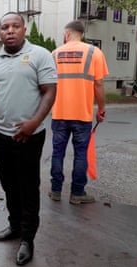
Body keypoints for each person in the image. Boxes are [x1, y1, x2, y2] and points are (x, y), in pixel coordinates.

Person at [0, 12, 57, 266]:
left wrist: (34, 122)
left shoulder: (40, 55)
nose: (9, 31)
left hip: (29, 139)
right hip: (3, 137)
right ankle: (14, 227)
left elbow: (50, 90)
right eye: (4, 27)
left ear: (24, 29)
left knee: (28, 189)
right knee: (10, 187)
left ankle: (27, 239)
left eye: (15, 26)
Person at [49, 20, 108, 205]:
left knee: (58, 153)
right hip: (82, 115)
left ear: (67, 34)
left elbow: (47, 85)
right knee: (81, 154)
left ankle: (56, 191)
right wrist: (102, 109)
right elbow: (98, 85)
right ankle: (77, 193)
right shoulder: (94, 53)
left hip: (59, 113)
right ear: (81, 33)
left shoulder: (54, 54)